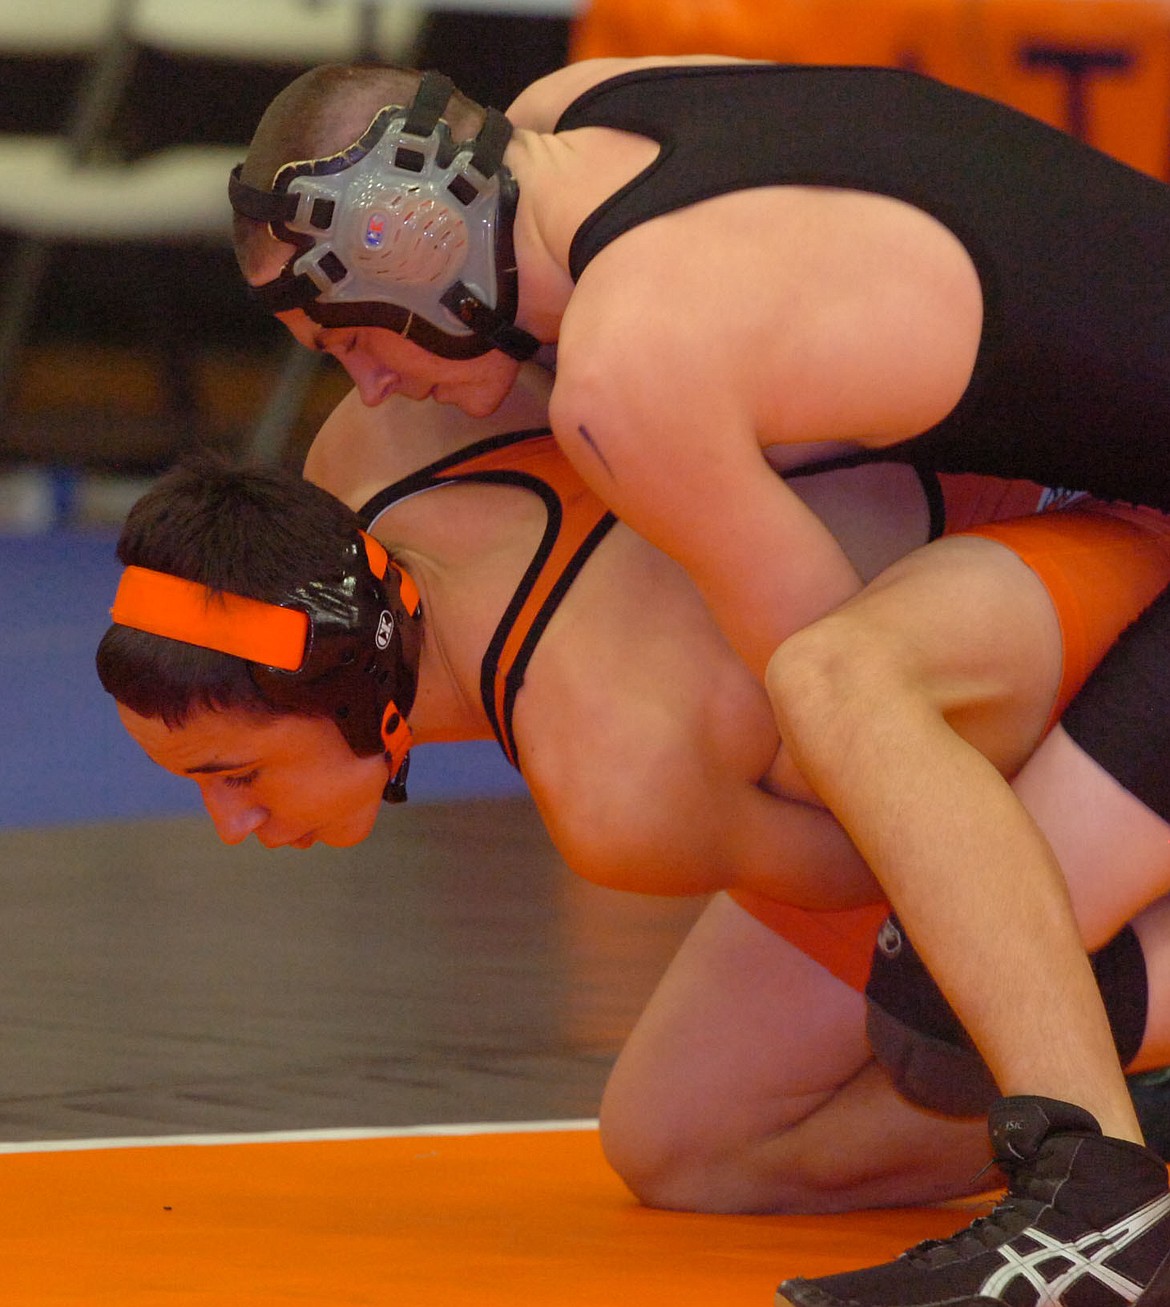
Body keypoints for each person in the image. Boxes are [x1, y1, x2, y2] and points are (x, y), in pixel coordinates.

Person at [225, 59, 1170, 1301]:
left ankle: (1102, 1206)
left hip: (1125, 528)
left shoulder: (626, 376)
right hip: (1118, 497)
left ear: (422, 251)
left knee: (919, 903)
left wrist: (622, 717)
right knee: (720, 1113)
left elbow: (839, 755)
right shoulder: (588, 103)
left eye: (354, 337)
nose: (374, 385)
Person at [98, 365, 1170, 1228]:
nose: (230, 823)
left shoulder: (617, 780)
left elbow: (899, 867)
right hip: (984, 572)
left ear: (348, 695)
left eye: (234, 774)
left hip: (1092, 561)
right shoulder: (382, 439)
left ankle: (1102, 1102)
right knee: (684, 1143)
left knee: (940, 1000)